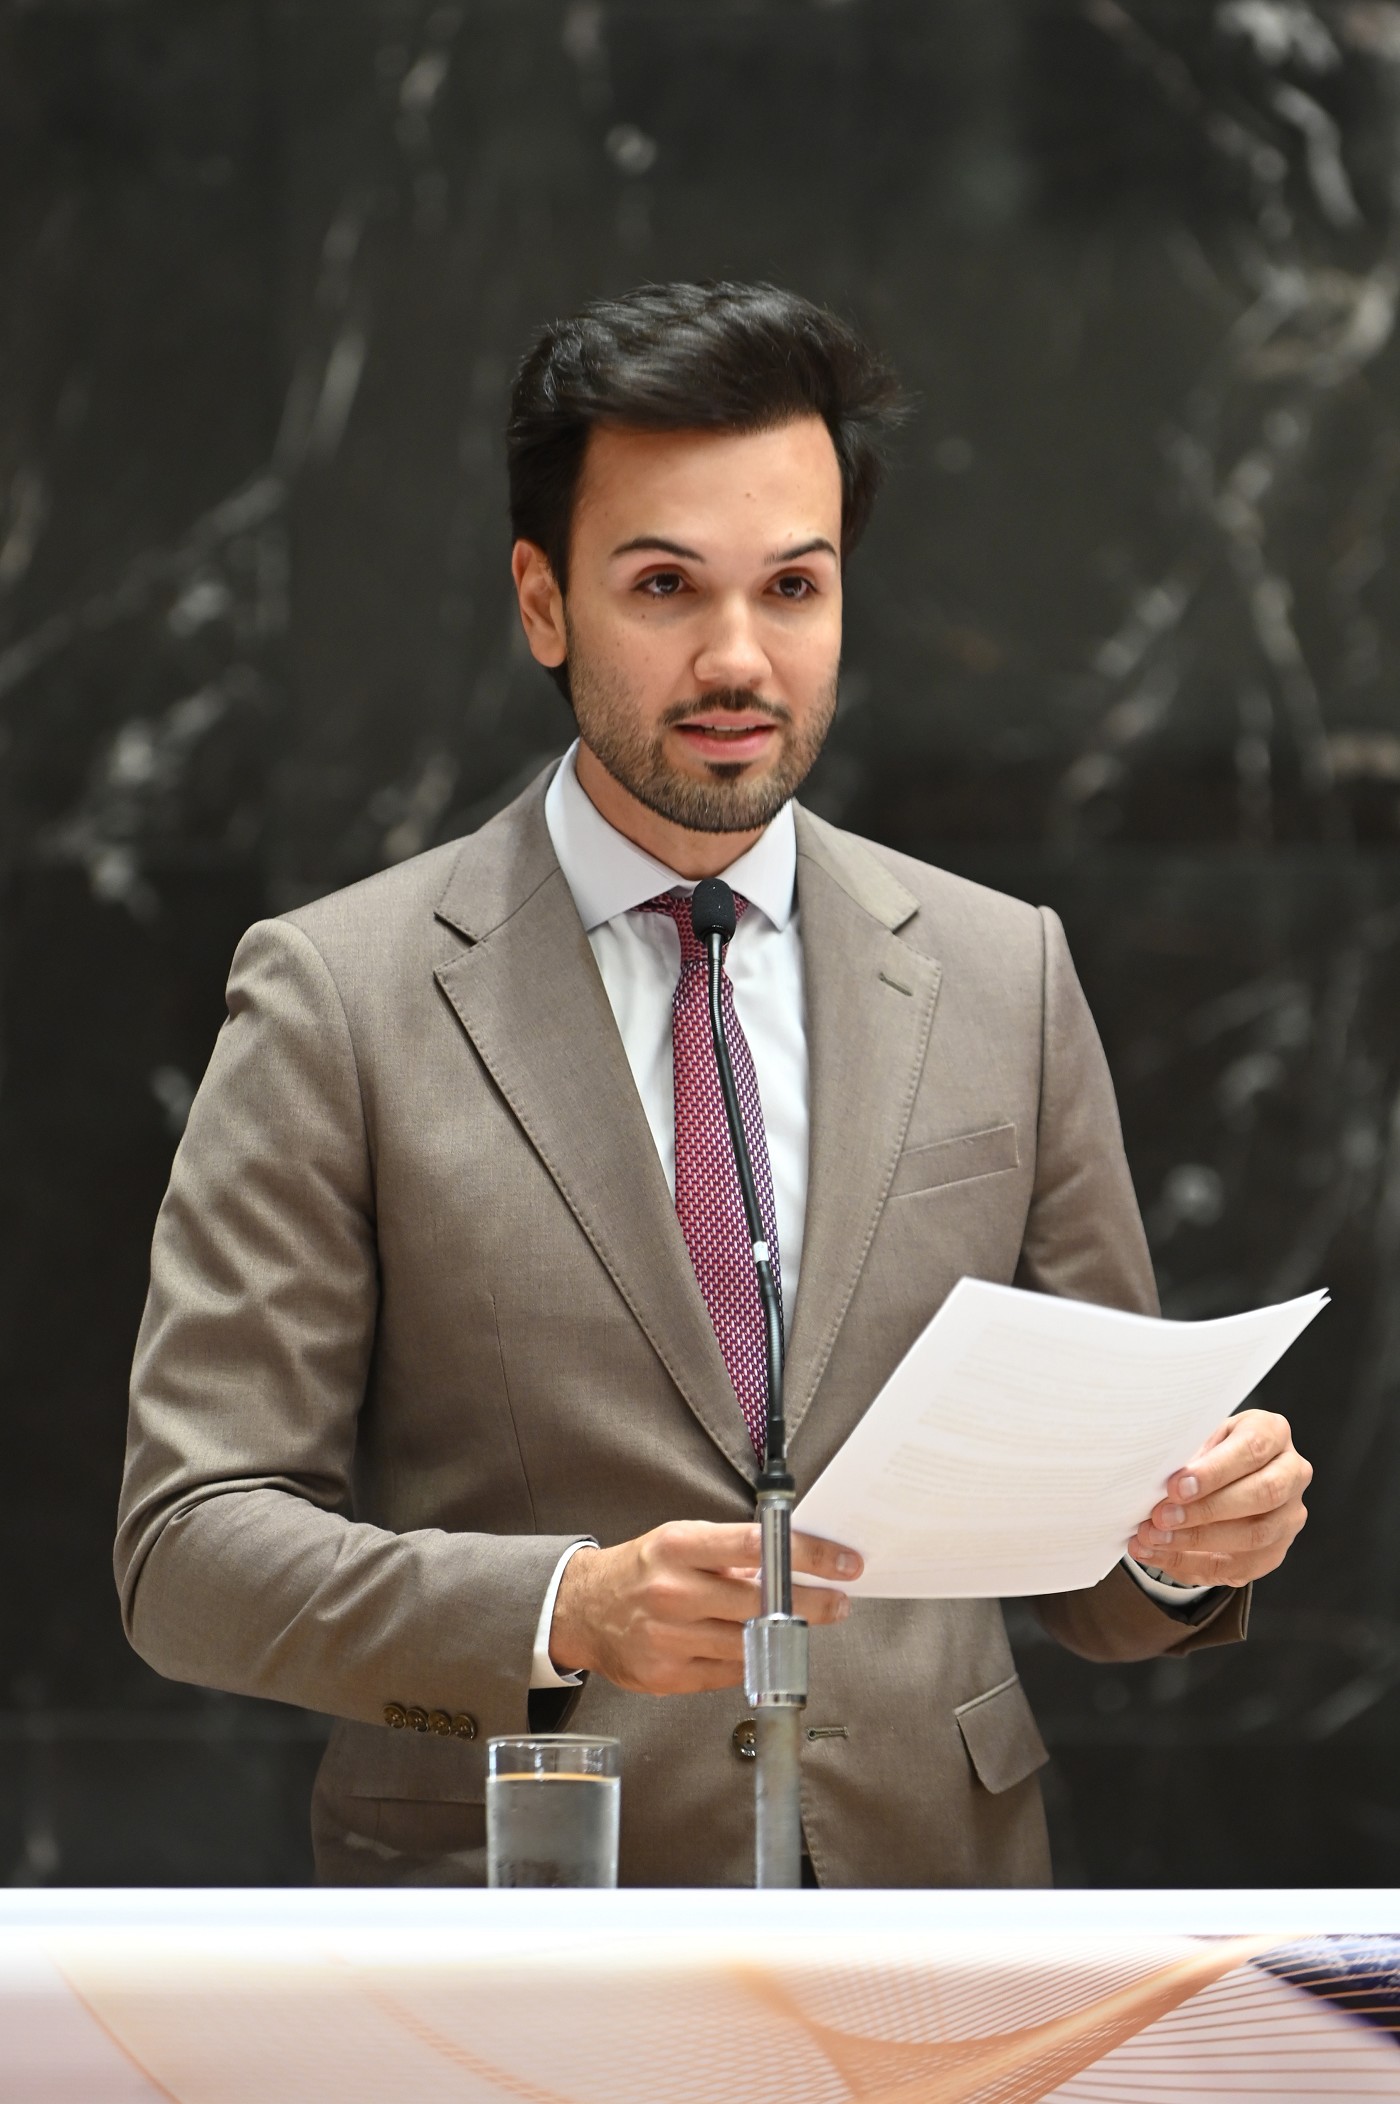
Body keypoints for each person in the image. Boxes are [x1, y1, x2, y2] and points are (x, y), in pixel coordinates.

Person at [115, 281, 1312, 1888]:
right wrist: (563, 1609)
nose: (740, 658)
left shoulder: (1004, 971)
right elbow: (187, 1551)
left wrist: (1182, 1542)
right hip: (513, 1915)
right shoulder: (339, 995)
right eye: (665, 585)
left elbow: (1098, 1567)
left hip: (933, 1911)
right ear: (544, 602)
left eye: (794, 586)